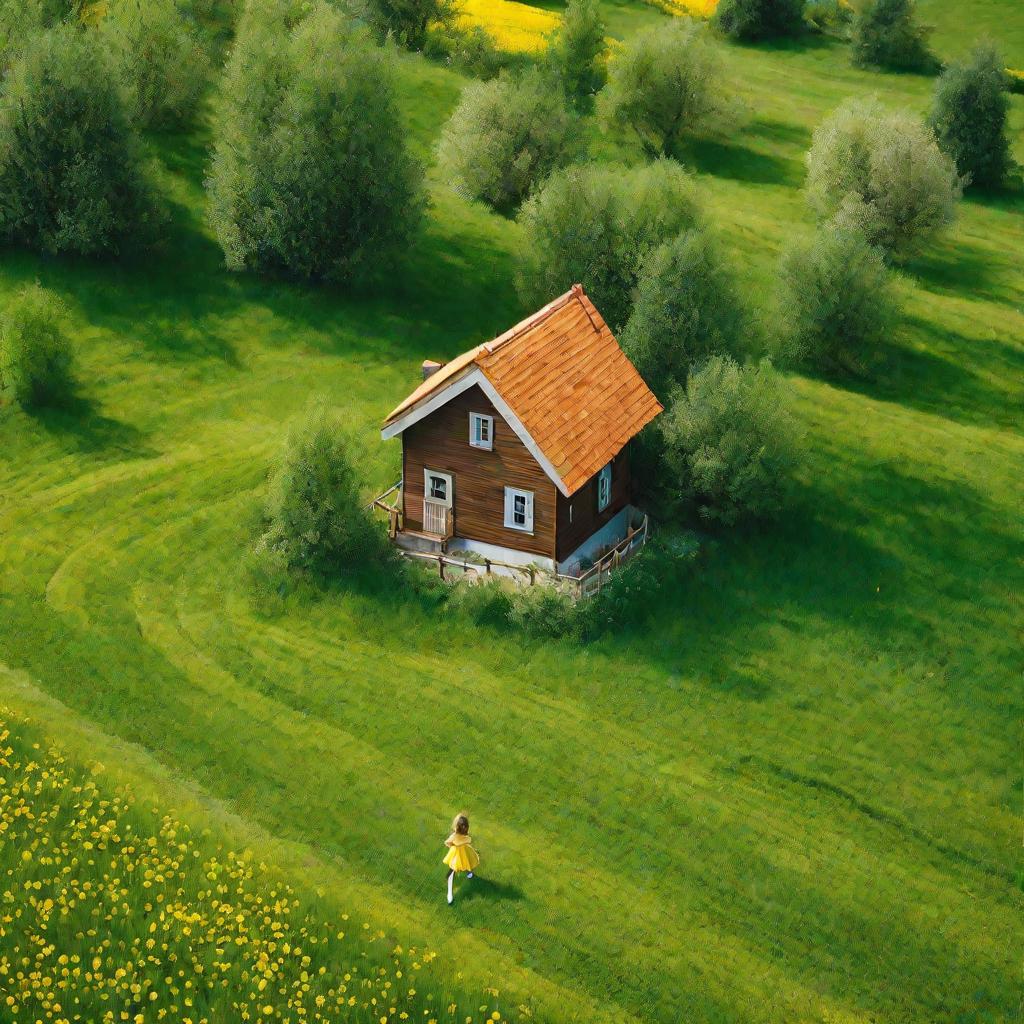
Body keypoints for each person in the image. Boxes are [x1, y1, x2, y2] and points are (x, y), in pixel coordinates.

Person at [443, 813, 480, 905]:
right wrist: (455, 845)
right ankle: (450, 894)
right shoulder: (459, 836)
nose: (465, 828)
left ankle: (468, 873)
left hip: (461, 853)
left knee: (464, 864)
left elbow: (449, 842)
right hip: (460, 854)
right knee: (459, 867)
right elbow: (448, 842)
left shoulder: (459, 835)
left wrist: (455, 845)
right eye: (464, 827)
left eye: (465, 827)